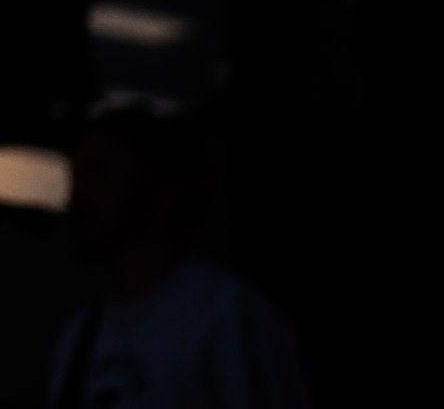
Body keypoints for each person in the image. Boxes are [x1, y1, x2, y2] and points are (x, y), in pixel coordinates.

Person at [48, 108, 311, 409]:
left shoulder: (226, 312)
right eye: (77, 178)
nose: (80, 196)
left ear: (164, 193)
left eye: (100, 175)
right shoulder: (79, 336)